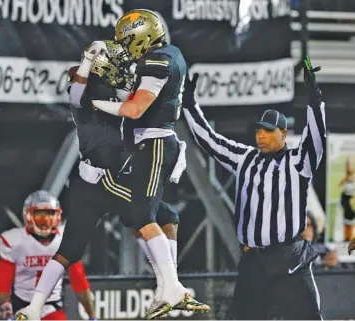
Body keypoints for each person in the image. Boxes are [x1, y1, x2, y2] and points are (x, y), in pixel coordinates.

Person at [16, 40, 181, 320]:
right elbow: (78, 90)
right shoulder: (85, 95)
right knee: (153, 214)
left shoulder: (114, 92)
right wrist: (87, 63)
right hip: (101, 177)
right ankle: (169, 284)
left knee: (69, 250)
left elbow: (136, 99)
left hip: (90, 182)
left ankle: (33, 307)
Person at [181, 57, 325, 320]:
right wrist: (189, 105)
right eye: (259, 130)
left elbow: (316, 136)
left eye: (268, 131)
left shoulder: (299, 161)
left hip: (288, 260)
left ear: (283, 133)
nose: (261, 136)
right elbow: (210, 142)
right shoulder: (245, 157)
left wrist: (314, 98)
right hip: (252, 262)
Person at [91, 9, 210, 320]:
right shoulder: (166, 56)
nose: (125, 46)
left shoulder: (157, 60)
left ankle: (172, 288)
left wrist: (97, 100)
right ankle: (166, 288)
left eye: (128, 40)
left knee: (141, 214)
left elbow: (135, 109)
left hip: (154, 142)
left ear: (143, 36)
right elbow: (140, 97)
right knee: (151, 215)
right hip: (150, 142)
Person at [0, 190, 95, 320]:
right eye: (39, 215)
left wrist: (92, 316)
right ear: (28, 216)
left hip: (52, 306)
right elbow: (3, 280)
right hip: (22, 306)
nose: (45, 220)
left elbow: (79, 281)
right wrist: (6, 310)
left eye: (49, 214)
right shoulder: (16, 241)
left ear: (57, 215)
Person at [339, 158, 355, 241]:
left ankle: (350, 236)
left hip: (351, 199)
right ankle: (346, 236)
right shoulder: (345, 178)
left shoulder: (352, 177)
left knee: (351, 218)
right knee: (346, 217)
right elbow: (339, 185)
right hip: (346, 199)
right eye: (347, 165)